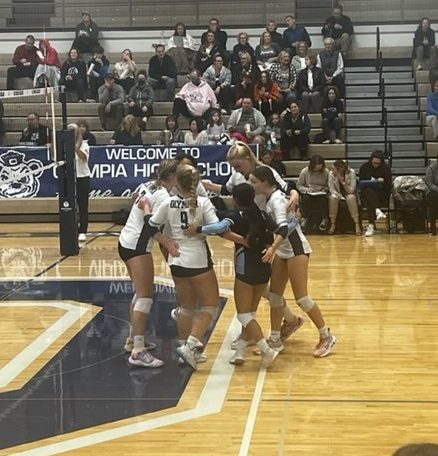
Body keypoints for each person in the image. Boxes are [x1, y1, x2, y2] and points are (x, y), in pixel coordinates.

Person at [185, 183, 279, 367]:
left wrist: (196, 229)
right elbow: (278, 230)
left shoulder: (235, 216)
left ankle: (267, 351)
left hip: (246, 267)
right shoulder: (262, 214)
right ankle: (241, 352)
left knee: (244, 315)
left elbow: (219, 228)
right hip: (265, 265)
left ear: (235, 199)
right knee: (250, 313)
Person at [250, 165, 336, 357]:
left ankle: (326, 335)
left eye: (254, 181)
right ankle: (275, 339)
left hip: (296, 249)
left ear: (264, 183)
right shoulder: (269, 198)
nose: (251, 184)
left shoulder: (277, 201)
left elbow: (283, 228)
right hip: (283, 250)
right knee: (275, 296)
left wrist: (272, 248)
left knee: (302, 299)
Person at [147, 165, 222, 370]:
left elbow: (150, 227)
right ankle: (189, 346)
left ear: (177, 182)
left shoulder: (167, 202)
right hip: (197, 259)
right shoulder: (203, 202)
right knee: (210, 305)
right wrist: (199, 229)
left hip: (176, 261)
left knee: (187, 307)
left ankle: (183, 350)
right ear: (196, 183)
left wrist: (168, 243)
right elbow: (217, 228)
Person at [119, 159, 180, 367]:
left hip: (125, 240)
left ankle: (132, 339)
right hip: (137, 245)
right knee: (145, 296)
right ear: (172, 177)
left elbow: (134, 199)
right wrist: (169, 244)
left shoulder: (147, 184)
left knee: (139, 292)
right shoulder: (163, 195)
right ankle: (137, 351)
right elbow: (151, 227)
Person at [359, 150, 392, 237]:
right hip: (366, 193)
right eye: (374, 163)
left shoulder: (386, 169)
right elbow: (361, 183)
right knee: (368, 191)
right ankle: (377, 210)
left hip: (381, 193)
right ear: (371, 160)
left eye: (378, 163)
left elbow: (388, 186)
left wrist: (382, 182)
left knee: (370, 200)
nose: (376, 165)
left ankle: (371, 225)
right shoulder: (364, 167)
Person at [67, 123, 91, 242]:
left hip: (82, 177)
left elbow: (83, 158)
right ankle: (71, 228)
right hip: (70, 177)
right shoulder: (64, 145)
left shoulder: (84, 144)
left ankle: (83, 230)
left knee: (82, 205)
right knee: (70, 205)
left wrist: (75, 147)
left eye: (73, 130)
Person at [297, 155, 330, 232]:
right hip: (308, 192)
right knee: (306, 198)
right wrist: (308, 189)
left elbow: (329, 185)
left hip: (321, 192)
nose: (317, 169)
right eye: (315, 167)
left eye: (319, 167)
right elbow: (299, 185)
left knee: (322, 200)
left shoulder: (326, 172)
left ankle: (324, 219)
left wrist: (324, 189)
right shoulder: (305, 171)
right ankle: (304, 218)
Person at [328, 160, 361, 235]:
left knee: (351, 198)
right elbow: (331, 189)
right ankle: (333, 224)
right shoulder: (331, 174)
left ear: (340, 169)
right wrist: (337, 194)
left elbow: (352, 190)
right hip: (337, 193)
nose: (332, 170)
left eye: (334, 169)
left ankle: (356, 224)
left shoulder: (351, 172)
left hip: (348, 193)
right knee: (332, 198)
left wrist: (343, 182)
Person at [426, 152, 438, 236]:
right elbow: (430, 184)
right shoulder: (431, 168)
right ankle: (433, 226)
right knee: (434, 198)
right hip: (435, 190)